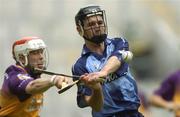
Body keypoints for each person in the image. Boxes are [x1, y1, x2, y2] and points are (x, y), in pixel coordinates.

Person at [72, 5, 143, 117]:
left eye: (100, 23)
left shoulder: (119, 43)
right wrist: (96, 89)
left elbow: (116, 59)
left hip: (133, 113)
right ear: (79, 29)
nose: (97, 27)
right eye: (91, 24)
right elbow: (95, 106)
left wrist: (102, 73)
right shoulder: (80, 66)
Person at [0, 36, 69, 117]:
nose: (41, 57)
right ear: (22, 58)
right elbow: (32, 86)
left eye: (41, 52)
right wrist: (53, 80)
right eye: (35, 53)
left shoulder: (34, 76)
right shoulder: (14, 74)